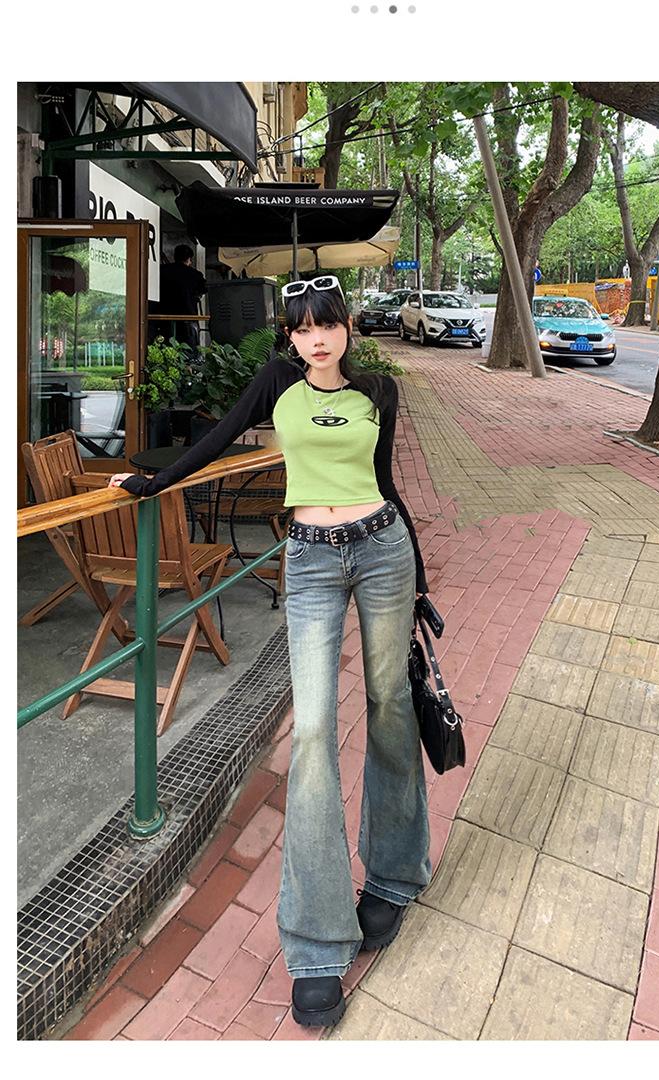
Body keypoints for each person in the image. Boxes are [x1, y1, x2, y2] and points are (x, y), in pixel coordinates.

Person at [108, 274, 432, 1029]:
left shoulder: (379, 393)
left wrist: (417, 576)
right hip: (312, 558)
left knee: (390, 706)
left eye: (328, 324)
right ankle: (317, 944)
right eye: (303, 328)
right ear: (289, 336)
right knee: (313, 730)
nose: (317, 339)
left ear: (348, 328)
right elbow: (219, 437)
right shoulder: (275, 383)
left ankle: (393, 874)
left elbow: (384, 480)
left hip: (384, 550)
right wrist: (156, 481)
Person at [157, 243, 206, 349]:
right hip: (187, 318)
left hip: (164, 318)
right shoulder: (196, 275)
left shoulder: (161, 271)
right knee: (189, 350)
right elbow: (202, 292)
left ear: (175, 256)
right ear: (189, 259)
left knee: (166, 349)